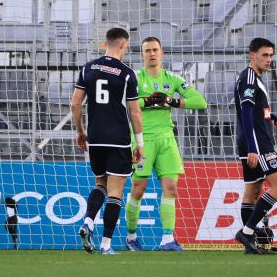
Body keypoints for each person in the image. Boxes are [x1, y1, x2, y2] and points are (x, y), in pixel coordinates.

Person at [125, 37, 207, 252]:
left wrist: (172, 101)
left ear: (161, 53)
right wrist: (150, 101)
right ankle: (131, 236)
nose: (152, 53)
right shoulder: (134, 78)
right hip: (143, 139)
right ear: (142, 54)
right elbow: (127, 102)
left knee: (170, 188)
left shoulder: (172, 78)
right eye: (147, 50)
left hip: (167, 139)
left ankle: (167, 239)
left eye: (155, 50)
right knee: (138, 189)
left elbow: (200, 101)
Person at [71, 27, 143, 255]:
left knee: (100, 185)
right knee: (116, 193)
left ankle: (88, 222)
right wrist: (139, 144)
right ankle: (106, 245)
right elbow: (134, 112)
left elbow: (75, 104)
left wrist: (81, 132)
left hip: (96, 138)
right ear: (123, 45)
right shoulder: (127, 73)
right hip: (119, 140)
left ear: (106, 43)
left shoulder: (88, 68)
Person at [233, 37, 277, 254]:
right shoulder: (249, 79)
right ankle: (246, 233)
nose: (269, 59)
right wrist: (254, 148)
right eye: (265, 55)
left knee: (253, 192)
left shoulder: (254, 78)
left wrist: (271, 117)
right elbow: (245, 114)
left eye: (271, 55)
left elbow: (256, 111)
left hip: (251, 140)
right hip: (258, 143)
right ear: (252, 55)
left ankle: (250, 243)